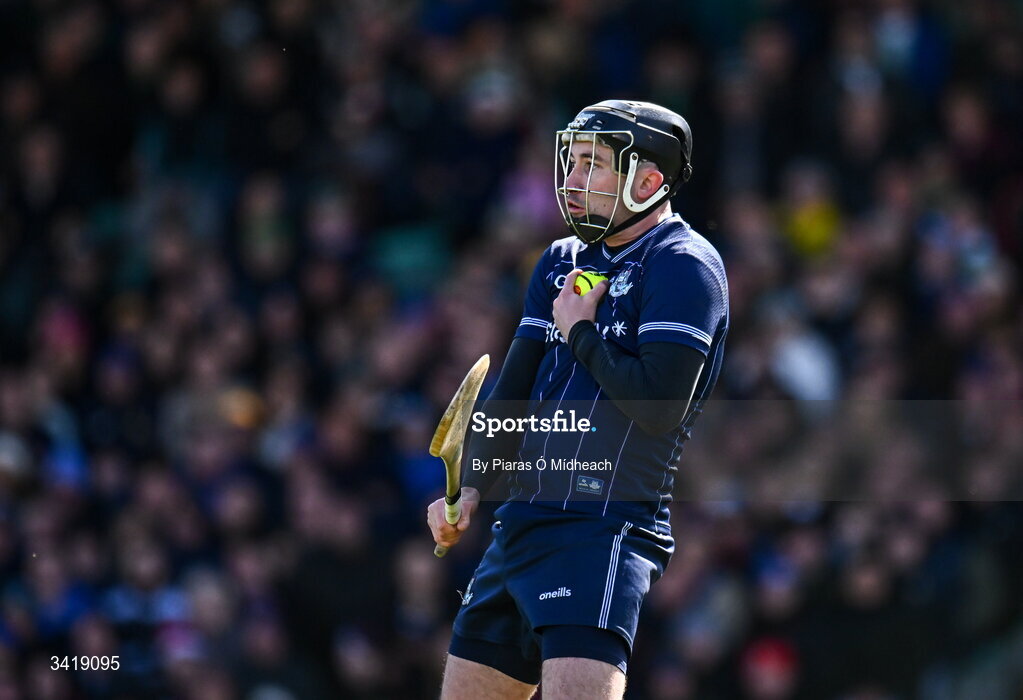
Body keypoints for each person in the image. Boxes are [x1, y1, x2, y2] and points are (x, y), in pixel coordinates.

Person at [427, 100, 729, 700]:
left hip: (601, 527)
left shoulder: (683, 266)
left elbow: (659, 405)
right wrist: (469, 489)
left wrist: (582, 334)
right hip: (519, 527)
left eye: (595, 165)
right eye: (572, 161)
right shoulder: (559, 262)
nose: (571, 179)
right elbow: (513, 391)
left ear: (649, 181)